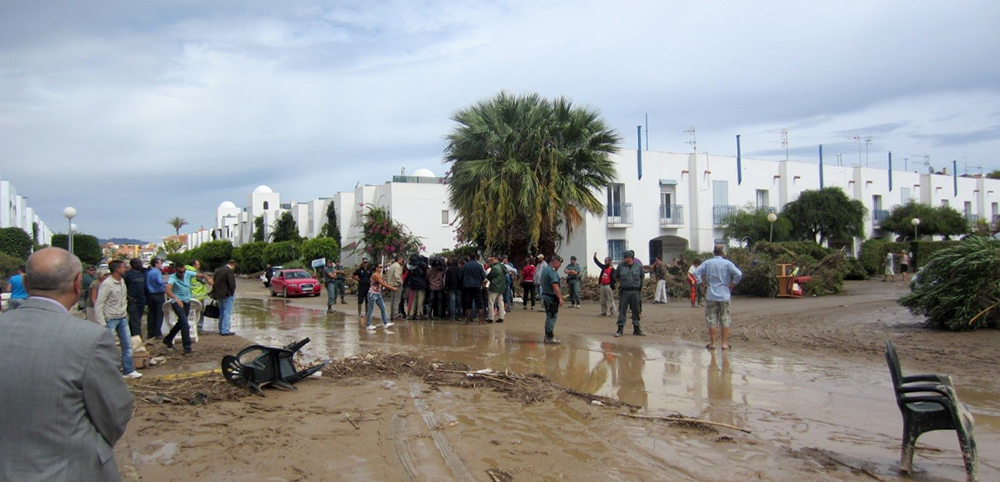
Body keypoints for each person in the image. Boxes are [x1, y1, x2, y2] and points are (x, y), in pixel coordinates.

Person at [0, 247, 134, 481]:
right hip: (71, 469)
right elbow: (115, 411)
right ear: (77, 283)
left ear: (26, 283)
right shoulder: (89, 339)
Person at [95, 260, 142, 379]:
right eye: (123, 267)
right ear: (117, 270)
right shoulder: (107, 284)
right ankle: (110, 372)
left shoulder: (122, 282)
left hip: (122, 317)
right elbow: (99, 304)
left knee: (127, 345)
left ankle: (128, 370)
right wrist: (102, 322)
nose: (125, 269)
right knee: (109, 347)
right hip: (110, 319)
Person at [694, 244, 743, 350]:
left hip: (711, 293)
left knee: (711, 318)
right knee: (725, 318)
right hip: (724, 293)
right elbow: (738, 274)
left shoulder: (708, 263)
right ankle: (724, 343)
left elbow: (695, 272)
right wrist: (733, 283)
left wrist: (701, 282)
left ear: (713, 252)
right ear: (723, 253)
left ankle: (713, 343)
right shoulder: (727, 263)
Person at [164, 264, 212, 354]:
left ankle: (168, 338)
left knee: (181, 322)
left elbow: (202, 275)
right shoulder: (173, 278)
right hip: (177, 302)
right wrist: (176, 299)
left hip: (187, 301)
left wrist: (208, 279)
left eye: (183, 271)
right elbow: (168, 290)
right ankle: (187, 346)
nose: (182, 274)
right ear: (175, 270)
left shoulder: (188, 274)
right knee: (185, 323)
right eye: (180, 272)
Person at [615, 250, 645, 337]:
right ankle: (620, 329)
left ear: (630, 258)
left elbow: (642, 277)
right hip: (625, 291)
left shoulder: (638, 266)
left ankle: (636, 329)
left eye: (625, 257)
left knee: (636, 310)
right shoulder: (621, 266)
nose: (624, 259)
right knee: (622, 310)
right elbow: (616, 276)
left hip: (635, 291)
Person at [540, 254, 565, 344]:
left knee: (549, 316)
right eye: (559, 264)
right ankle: (549, 337)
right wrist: (560, 298)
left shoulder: (545, 270)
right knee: (552, 317)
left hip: (546, 295)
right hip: (551, 297)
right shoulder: (552, 271)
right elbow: (555, 285)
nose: (559, 266)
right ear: (555, 262)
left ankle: (548, 335)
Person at [365, 262, 397, 331]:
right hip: (372, 294)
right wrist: (392, 288)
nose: (381, 268)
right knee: (370, 309)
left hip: (378, 293)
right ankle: (368, 324)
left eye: (381, 267)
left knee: (383, 308)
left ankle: (386, 322)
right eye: (379, 267)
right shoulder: (375, 275)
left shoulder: (379, 274)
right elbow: (382, 283)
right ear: (376, 268)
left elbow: (383, 283)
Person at [210, 259, 237, 336]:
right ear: (233, 265)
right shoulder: (229, 271)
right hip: (227, 294)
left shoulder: (218, 270)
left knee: (221, 312)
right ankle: (225, 330)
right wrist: (232, 292)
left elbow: (214, 281)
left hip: (219, 294)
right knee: (227, 312)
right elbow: (232, 284)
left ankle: (221, 328)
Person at [123, 259, 147, 337]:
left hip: (142, 300)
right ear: (134, 264)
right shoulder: (128, 275)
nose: (141, 264)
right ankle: (137, 338)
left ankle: (132, 336)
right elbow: (123, 288)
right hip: (133, 301)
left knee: (137, 320)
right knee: (135, 320)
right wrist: (129, 298)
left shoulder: (142, 273)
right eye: (139, 263)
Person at [145, 257, 167, 339]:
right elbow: (160, 282)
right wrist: (166, 286)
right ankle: (157, 332)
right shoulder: (157, 272)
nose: (161, 264)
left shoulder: (149, 272)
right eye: (160, 263)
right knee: (159, 314)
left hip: (151, 294)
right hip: (158, 294)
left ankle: (150, 333)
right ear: (156, 264)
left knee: (151, 314)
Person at [461, 254, 486, 323]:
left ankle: (468, 319)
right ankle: (481, 320)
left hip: (467, 286)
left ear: (469, 257)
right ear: (475, 258)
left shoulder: (465, 266)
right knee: (479, 303)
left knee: (468, 303)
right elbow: (484, 276)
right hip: (477, 286)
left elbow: (461, 276)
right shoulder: (479, 265)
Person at [187, 260, 209, 331]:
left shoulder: (185, 272)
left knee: (190, 313)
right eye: (198, 265)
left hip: (189, 297)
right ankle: (199, 328)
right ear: (193, 265)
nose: (199, 266)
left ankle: (190, 327)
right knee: (200, 312)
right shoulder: (195, 273)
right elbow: (204, 281)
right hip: (198, 296)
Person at [593, 252, 617, 316]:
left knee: (610, 299)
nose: (606, 262)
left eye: (607, 261)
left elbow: (614, 279)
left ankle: (613, 312)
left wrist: (611, 286)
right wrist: (595, 257)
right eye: (605, 261)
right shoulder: (604, 267)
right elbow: (598, 263)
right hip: (602, 285)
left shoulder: (612, 270)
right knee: (603, 300)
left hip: (608, 286)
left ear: (610, 262)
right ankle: (603, 312)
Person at [405, 255, 428, 320]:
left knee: (414, 300)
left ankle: (411, 314)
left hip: (413, 284)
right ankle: (418, 314)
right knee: (420, 300)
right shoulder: (419, 266)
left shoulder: (409, 267)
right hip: (420, 285)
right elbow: (422, 274)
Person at [486, 255, 507, 323]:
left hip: (494, 286)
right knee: (500, 302)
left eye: (492, 259)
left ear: (496, 259)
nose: (491, 261)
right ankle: (501, 317)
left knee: (491, 302)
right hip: (501, 287)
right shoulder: (502, 266)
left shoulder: (495, 268)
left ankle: (491, 317)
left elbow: (489, 277)